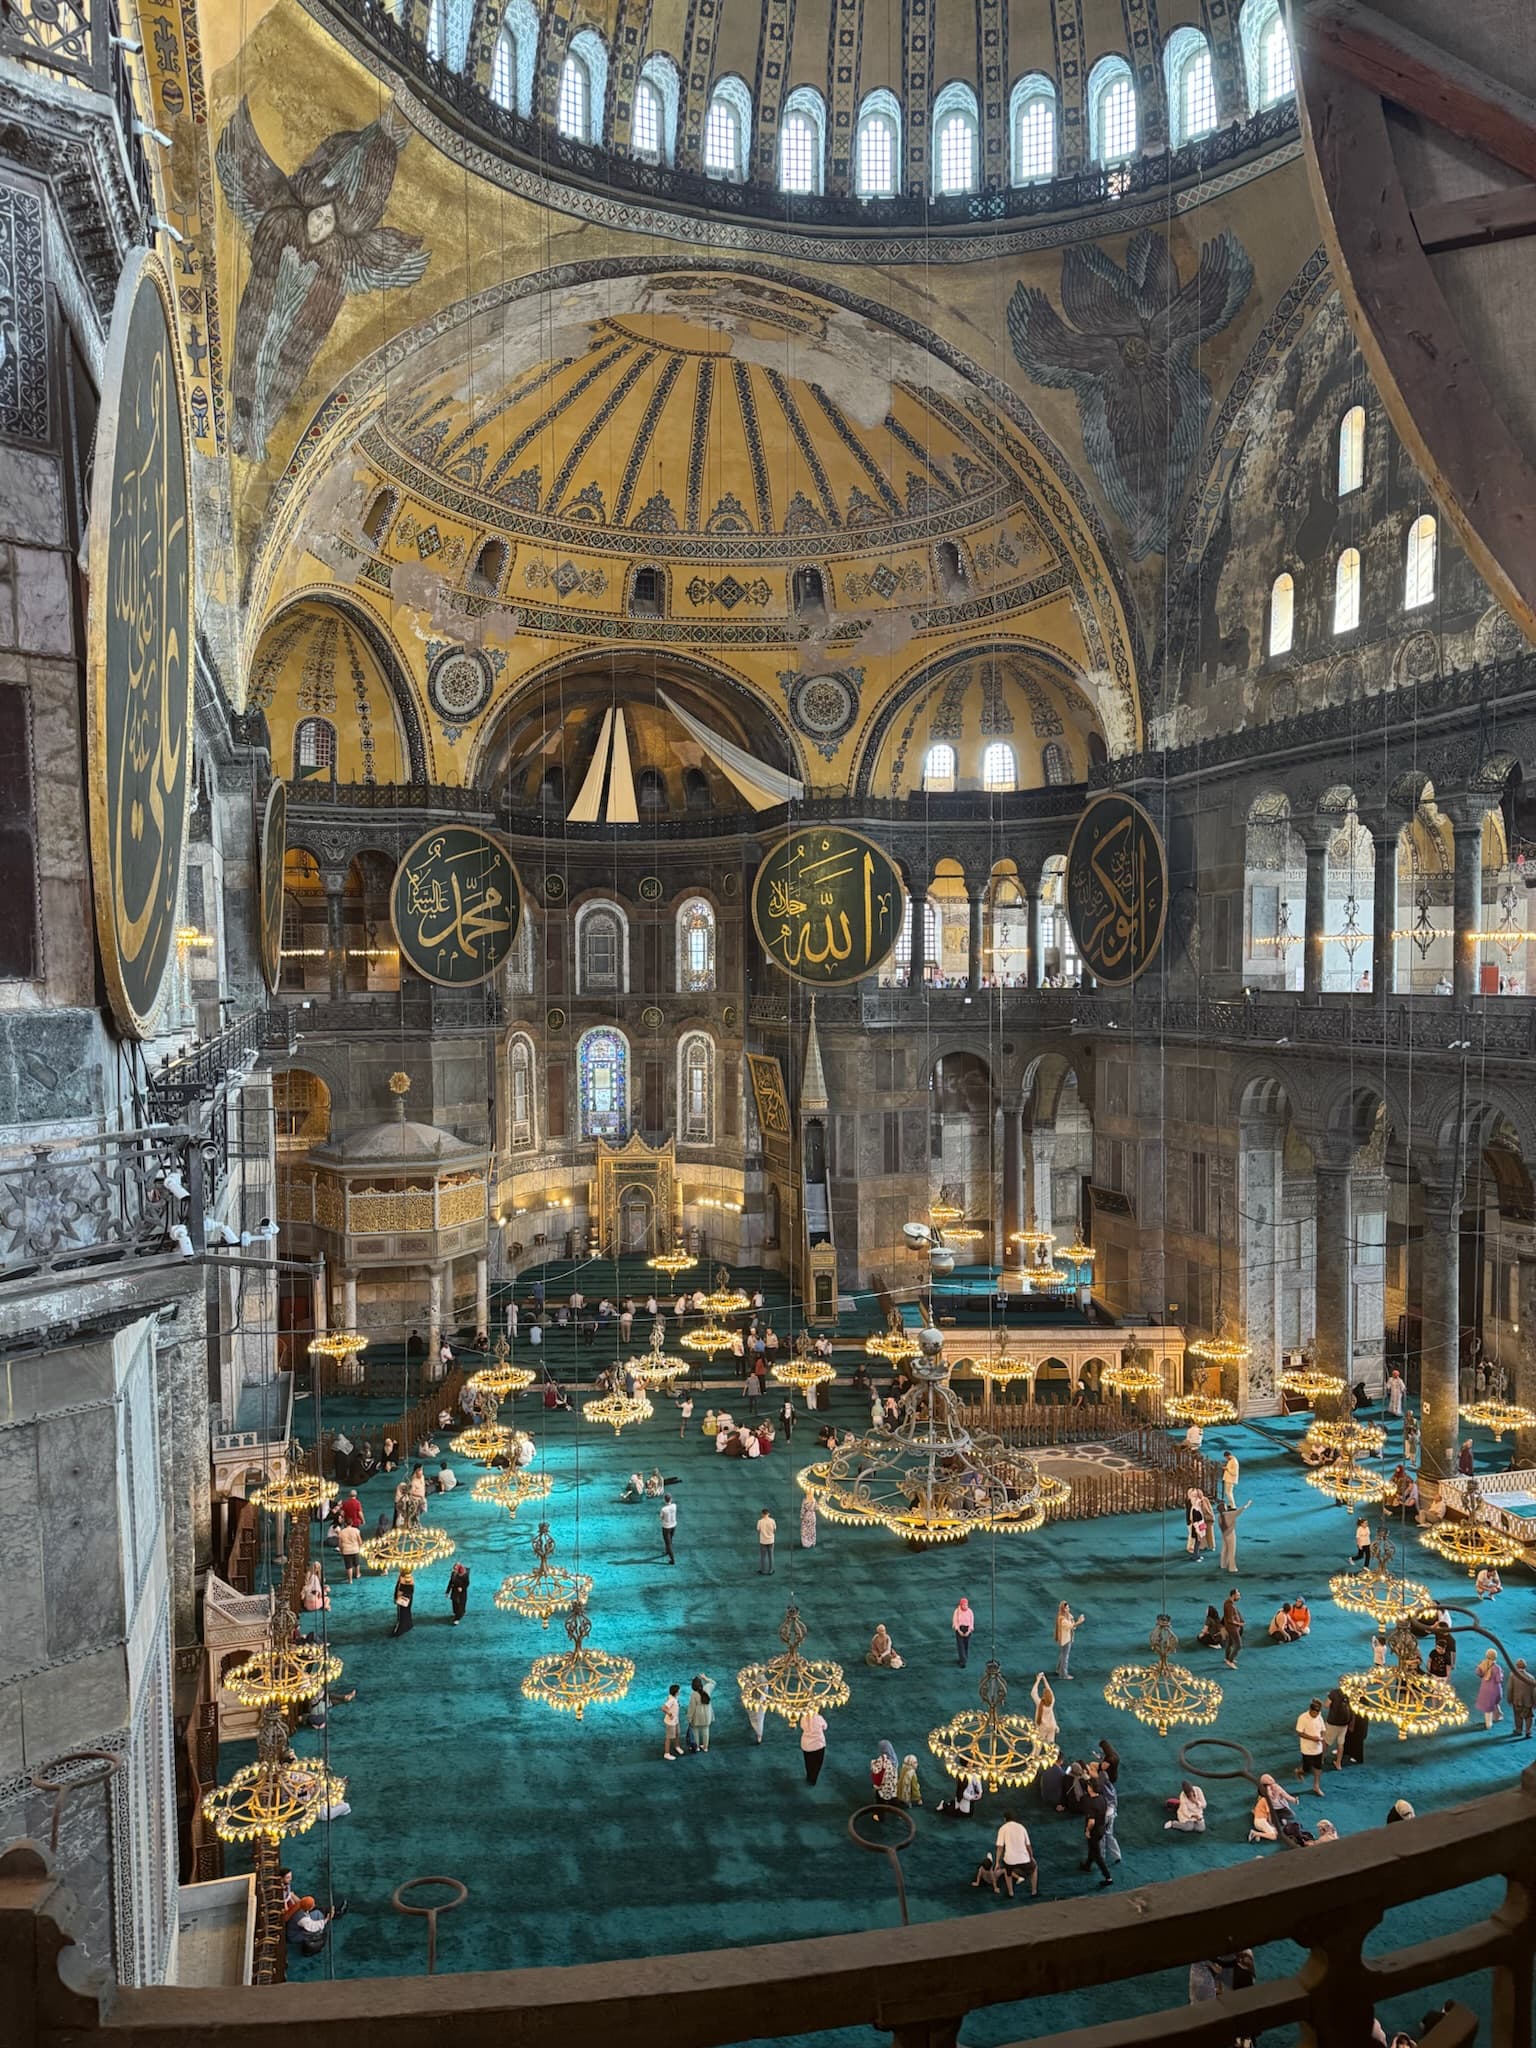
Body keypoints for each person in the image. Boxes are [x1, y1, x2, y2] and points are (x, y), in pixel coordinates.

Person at [973, 1811, 1037, 1898]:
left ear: (1004, 1819)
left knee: (1008, 1872)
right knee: (1034, 1868)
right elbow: (1028, 1845)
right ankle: (1034, 1892)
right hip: (1023, 1857)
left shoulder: (1003, 1828)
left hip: (1009, 1860)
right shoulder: (1022, 1827)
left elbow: (1000, 1847)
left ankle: (1011, 1893)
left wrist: (997, 1862)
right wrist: (1031, 1857)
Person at [1081, 1775, 1112, 1886]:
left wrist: (1087, 1831)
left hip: (1094, 1830)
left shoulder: (1090, 1802)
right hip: (1101, 1828)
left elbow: (1091, 1821)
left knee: (1097, 1855)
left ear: (1091, 1788)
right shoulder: (1101, 1798)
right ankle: (1087, 1865)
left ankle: (1108, 1877)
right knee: (1092, 1848)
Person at [1296, 1697, 1328, 1795]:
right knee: (1307, 1769)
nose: (1316, 1715)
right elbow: (1299, 1732)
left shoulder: (1319, 1717)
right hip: (1307, 1749)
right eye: (1314, 1713)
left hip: (1317, 1748)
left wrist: (1321, 1738)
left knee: (1318, 1767)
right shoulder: (1302, 1718)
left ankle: (1316, 1786)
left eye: (1317, 1713)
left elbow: (1323, 1729)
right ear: (1310, 1710)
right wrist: (1313, 1738)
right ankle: (1298, 1771)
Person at [1215, 1496, 1249, 1572]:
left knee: (1224, 1549)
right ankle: (1232, 1567)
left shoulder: (1219, 1517)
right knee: (1231, 1551)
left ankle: (1223, 1564)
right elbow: (1239, 1511)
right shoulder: (1229, 1515)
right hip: (1230, 1534)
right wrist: (1247, 1504)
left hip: (1224, 1534)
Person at [1323, 1683, 1352, 1767]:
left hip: (1333, 1723)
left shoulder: (1334, 1693)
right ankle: (1338, 1763)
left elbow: (1326, 1705)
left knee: (1326, 1742)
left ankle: (1321, 1759)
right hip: (1344, 1724)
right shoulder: (1350, 1694)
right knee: (1340, 1744)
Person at [1054, 1600, 1085, 1679]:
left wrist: (1074, 1620)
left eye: (1068, 1607)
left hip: (1067, 1638)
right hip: (1065, 1640)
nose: (1068, 1609)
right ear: (1063, 1609)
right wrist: (1079, 1621)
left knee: (1062, 1655)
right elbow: (1071, 1626)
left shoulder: (1066, 1616)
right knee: (1065, 1657)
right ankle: (1063, 1674)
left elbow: (1072, 1624)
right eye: (1066, 1608)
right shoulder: (1062, 1619)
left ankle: (1058, 1669)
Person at [1475, 1649, 1505, 1729]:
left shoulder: (1483, 1664)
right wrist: (1501, 1674)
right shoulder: (1497, 1668)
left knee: (1488, 1706)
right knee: (1493, 1704)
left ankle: (1494, 1718)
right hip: (1494, 1689)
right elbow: (1499, 1680)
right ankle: (1490, 1722)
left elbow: (1478, 1672)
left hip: (1484, 1688)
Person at [685, 1674, 714, 1752]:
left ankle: (697, 1747)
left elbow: (692, 1708)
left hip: (697, 1716)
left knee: (695, 1731)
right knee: (706, 1730)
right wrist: (705, 1678)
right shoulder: (707, 1688)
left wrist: (689, 1718)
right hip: (707, 1714)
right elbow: (713, 1683)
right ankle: (705, 1747)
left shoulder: (694, 1694)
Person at [1507, 1657, 1535, 1739]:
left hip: (1517, 1700)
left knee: (1517, 1716)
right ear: (1525, 1666)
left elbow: (1510, 1688)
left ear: (1516, 1666)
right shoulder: (1531, 1677)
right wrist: (1535, 1702)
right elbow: (1534, 1692)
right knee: (1529, 1716)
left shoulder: (1512, 1675)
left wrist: (1509, 1698)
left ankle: (1519, 1730)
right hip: (1528, 1701)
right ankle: (1528, 1731)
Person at [800, 1706, 827, 1784]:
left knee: (808, 1762)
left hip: (806, 1745)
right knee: (818, 1762)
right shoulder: (819, 1718)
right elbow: (825, 1726)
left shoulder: (804, 1719)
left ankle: (809, 1776)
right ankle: (813, 1778)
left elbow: (802, 1727)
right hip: (818, 1745)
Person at [1031, 1672, 1058, 1744]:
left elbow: (1033, 1692)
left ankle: (1035, 1755)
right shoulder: (1052, 1702)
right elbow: (1050, 1690)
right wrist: (1044, 1679)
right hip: (1052, 1726)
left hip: (1042, 1727)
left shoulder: (1039, 1704)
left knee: (1038, 1744)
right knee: (1051, 1744)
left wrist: (1038, 1680)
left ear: (1043, 1697)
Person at [1221, 1588, 1244, 1669]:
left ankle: (1227, 1658)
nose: (1239, 1596)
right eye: (1238, 1595)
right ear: (1233, 1595)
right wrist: (1240, 1623)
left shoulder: (1229, 1603)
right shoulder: (1229, 1605)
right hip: (1232, 1628)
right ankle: (1230, 1661)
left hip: (1231, 1627)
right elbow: (1230, 1619)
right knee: (1239, 1645)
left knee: (1230, 1643)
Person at [389, 1571, 414, 1637]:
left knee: (402, 1610)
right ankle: (408, 1624)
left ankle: (401, 1628)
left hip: (404, 1590)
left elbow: (403, 1588)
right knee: (406, 1609)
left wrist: (398, 1596)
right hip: (407, 1585)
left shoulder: (404, 1576)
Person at [662, 1683, 683, 1761]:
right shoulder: (671, 1700)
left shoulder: (674, 1698)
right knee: (669, 1737)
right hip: (671, 1722)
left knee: (677, 1733)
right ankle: (666, 1753)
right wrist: (670, 1714)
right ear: (676, 1692)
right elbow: (663, 1708)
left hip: (676, 1720)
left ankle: (677, 1746)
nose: (680, 1691)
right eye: (679, 1690)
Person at [952, 1595, 975, 1666]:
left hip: (967, 1629)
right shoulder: (957, 1611)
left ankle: (964, 1657)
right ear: (960, 1605)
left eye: (966, 1605)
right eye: (964, 1605)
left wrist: (969, 1631)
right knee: (960, 1645)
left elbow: (972, 1622)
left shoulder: (970, 1611)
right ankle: (963, 1661)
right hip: (960, 1629)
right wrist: (958, 1630)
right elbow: (955, 1621)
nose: (965, 1606)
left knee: (966, 1645)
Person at [756, 1506, 776, 1573]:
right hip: (771, 1540)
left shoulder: (760, 1521)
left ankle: (763, 1570)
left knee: (763, 1557)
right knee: (771, 1555)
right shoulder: (772, 1521)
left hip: (763, 1541)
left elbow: (758, 1530)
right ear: (768, 1513)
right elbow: (774, 1530)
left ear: (762, 1514)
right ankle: (771, 1570)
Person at [660, 1492, 677, 1565]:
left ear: (664, 1500)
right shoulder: (674, 1506)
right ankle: (667, 1551)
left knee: (668, 1543)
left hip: (666, 1527)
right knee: (670, 1539)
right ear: (671, 1499)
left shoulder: (663, 1509)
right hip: (673, 1525)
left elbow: (661, 1518)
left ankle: (672, 1560)